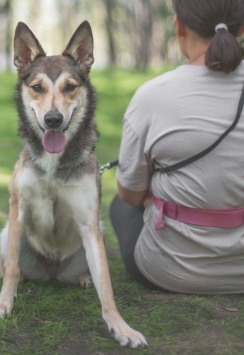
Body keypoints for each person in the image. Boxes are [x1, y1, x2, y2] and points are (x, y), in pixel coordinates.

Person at [110, 0, 244, 294]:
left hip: (172, 271)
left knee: (118, 204)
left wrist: (155, 196)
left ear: (178, 25)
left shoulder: (152, 96)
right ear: (242, 28)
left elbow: (130, 195)